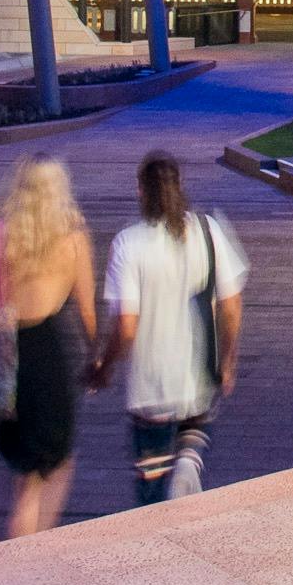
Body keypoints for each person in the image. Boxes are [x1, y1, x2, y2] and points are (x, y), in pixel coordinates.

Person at [95, 151, 248, 505]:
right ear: (180, 186)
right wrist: (228, 360)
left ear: (140, 192)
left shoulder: (128, 243)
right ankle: (188, 463)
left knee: (151, 487)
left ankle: (165, 503)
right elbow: (231, 305)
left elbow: (127, 327)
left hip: (150, 390)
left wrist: (105, 364)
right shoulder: (209, 231)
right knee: (192, 441)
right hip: (197, 380)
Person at [0, 156, 96, 540]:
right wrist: (96, 360)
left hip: (5, 353)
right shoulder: (73, 237)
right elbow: (87, 311)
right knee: (56, 464)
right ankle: (31, 557)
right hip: (49, 352)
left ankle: (22, 554)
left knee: (23, 476)